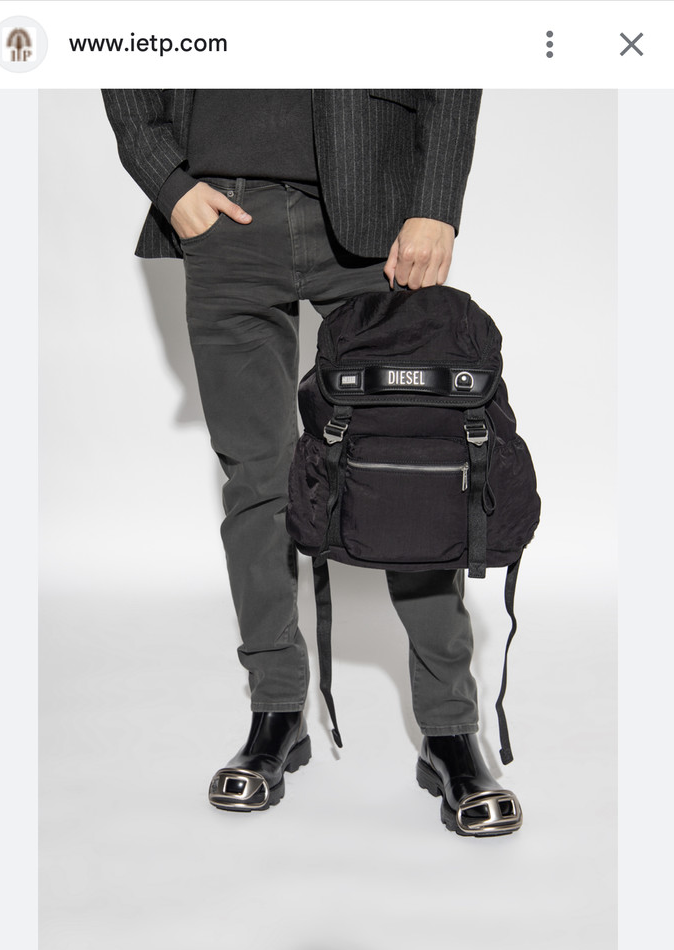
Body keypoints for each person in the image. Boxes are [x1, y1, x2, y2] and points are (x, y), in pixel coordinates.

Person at [102, 89, 522, 837]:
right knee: (256, 483)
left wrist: (436, 205)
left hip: (371, 220)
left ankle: (451, 730)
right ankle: (276, 713)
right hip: (221, 215)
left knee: (411, 477)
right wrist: (166, 179)